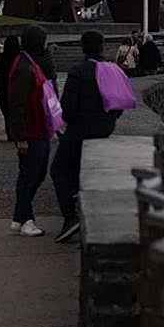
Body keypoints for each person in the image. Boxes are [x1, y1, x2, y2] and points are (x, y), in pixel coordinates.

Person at [50, 31, 122, 243]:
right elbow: (119, 103)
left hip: (81, 129)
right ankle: (78, 202)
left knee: (58, 170)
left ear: (83, 47)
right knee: (76, 168)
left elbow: (68, 109)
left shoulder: (78, 72)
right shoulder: (112, 70)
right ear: (101, 47)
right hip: (105, 128)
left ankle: (70, 217)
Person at [6, 26, 53, 237]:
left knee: (34, 173)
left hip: (38, 128)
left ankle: (19, 216)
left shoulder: (27, 63)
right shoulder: (24, 68)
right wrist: (21, 137)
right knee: (30, 175)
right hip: (32, 131)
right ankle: (26, 218)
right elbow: (17, 105)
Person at [0, 35, 21, 137]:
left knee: (6, 110)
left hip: (4, 87)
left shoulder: (2, 56)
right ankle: (16, 131)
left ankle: (9, 130)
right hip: (17, 87)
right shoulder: (20, 57)